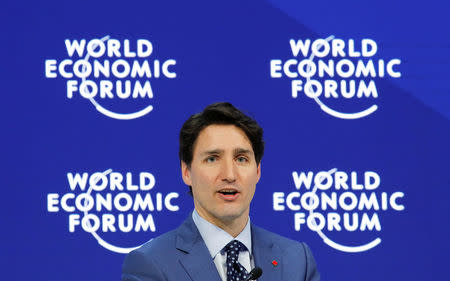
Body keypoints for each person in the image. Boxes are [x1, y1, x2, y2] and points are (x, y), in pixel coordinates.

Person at [122, 102, 320, 281]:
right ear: (186, 172)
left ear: (258, 171)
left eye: (241, 159)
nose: (229, 175)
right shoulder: (150, 264)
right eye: (212, 159)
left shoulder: (297, 260)